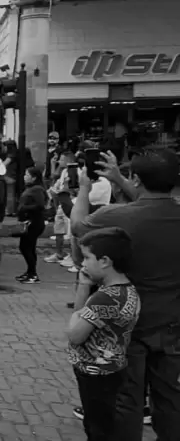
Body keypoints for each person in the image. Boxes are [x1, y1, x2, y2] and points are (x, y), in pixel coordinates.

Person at [69, 149, 180, 440]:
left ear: (136, 179)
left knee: (127, 400)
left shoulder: (116, 216)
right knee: (169, 399)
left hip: (127, 326)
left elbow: (78, 227)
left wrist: (83, 189)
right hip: (172, 324)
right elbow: (153, 198)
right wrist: (122, 178)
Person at [66, 227, 140, 441]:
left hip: (95, 371)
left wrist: (80, 300)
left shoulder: (104, 299)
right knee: (104, 423)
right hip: (113, 367)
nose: (83, 264)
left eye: (87, 257)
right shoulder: (127, 290)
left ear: (105, 261)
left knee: (97, 428)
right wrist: (85, 286)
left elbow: (74, 334)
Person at [15, 168, 48, 283]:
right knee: (27, 247)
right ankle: (29, 271)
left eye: (27, 175)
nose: (24, 176)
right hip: (28, 222)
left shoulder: (37, 189)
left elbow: (40, 205)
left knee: (26, 247)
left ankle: (33, 274)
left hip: (34, 222)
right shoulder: (30, 189)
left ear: (34, 177)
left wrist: (24, 208)